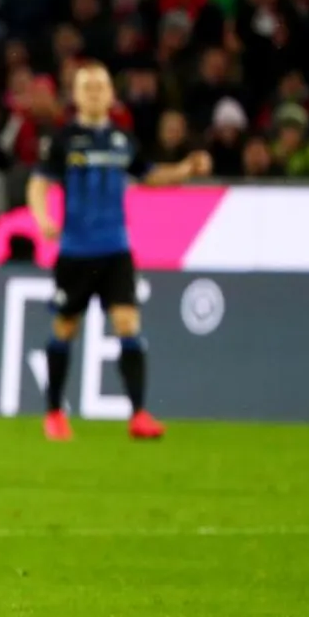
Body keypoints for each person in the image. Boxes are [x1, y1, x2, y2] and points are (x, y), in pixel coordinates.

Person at [27, 62, 211, 441]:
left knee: (127, 323)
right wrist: (43, 218)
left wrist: (185, 169)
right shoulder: (63, 140)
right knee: (65, 327)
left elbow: (150, 175)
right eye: (87, 86)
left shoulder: (122, 140)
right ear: (76, 96)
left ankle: (139, 414)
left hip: (115, 250)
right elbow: (39, 184)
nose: (95, 92)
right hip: (75, 251)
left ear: (112, 94)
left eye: (101, 86)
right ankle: (54, 413)